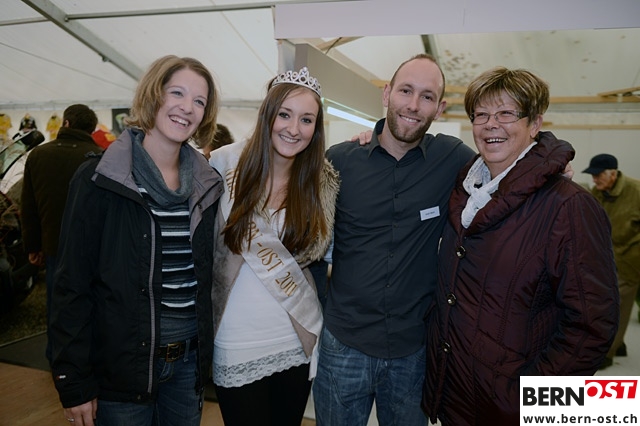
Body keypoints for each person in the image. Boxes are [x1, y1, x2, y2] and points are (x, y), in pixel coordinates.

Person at [422, 67, 618, 426]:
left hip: (511, 410)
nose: (490, 125)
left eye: (506, 113)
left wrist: (527, 402)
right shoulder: (465, 193)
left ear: (535, 123)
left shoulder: (569, 206)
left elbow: (591, 327)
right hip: (457, 396)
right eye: (481, 114)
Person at [49, 55, 223, 426]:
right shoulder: (99, 178)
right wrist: (73, 379)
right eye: (177, 93)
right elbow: (71, 285)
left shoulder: (207, 184)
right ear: (153, 94)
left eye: (199, 101)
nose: (187, 107)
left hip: (188, 367)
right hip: (122, 368)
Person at [313, 54, 475, 426]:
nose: (413, 105)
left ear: (439, 108)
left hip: (412, 351)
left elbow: (506, 168)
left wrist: (553, 165)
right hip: (343, 344)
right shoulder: (340, 161)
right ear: (386, 94)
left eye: (427, 96)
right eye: (405, 91)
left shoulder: (452, 159)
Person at [209, 67, 339, 426]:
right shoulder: (222, 165)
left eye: (306, 120)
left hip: (295, 337)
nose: (294, 129)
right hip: (236, 339)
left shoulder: (319, 183)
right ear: (267, 114)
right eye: (284, 114)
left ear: (316, 128)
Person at [20, 103, 102, 363]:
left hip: (53, 245)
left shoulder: (38, 155)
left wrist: (33, 246)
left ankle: (57, 357)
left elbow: (29, 207)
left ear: (66, 123)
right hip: (94, 247)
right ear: (91, 129)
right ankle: (89, 358)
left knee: (57, 304)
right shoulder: (100, 157)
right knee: (92, 303)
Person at [582, 153, 640, 368]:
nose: (595, 180)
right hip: (607, 258)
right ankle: (620, 344)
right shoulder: (599, 192)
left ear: (613, 174)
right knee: (605, 304)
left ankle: (607, 352)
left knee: (619, 306)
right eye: (593, 175)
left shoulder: (636, 191)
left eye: (598, 175)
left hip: (630, 259)